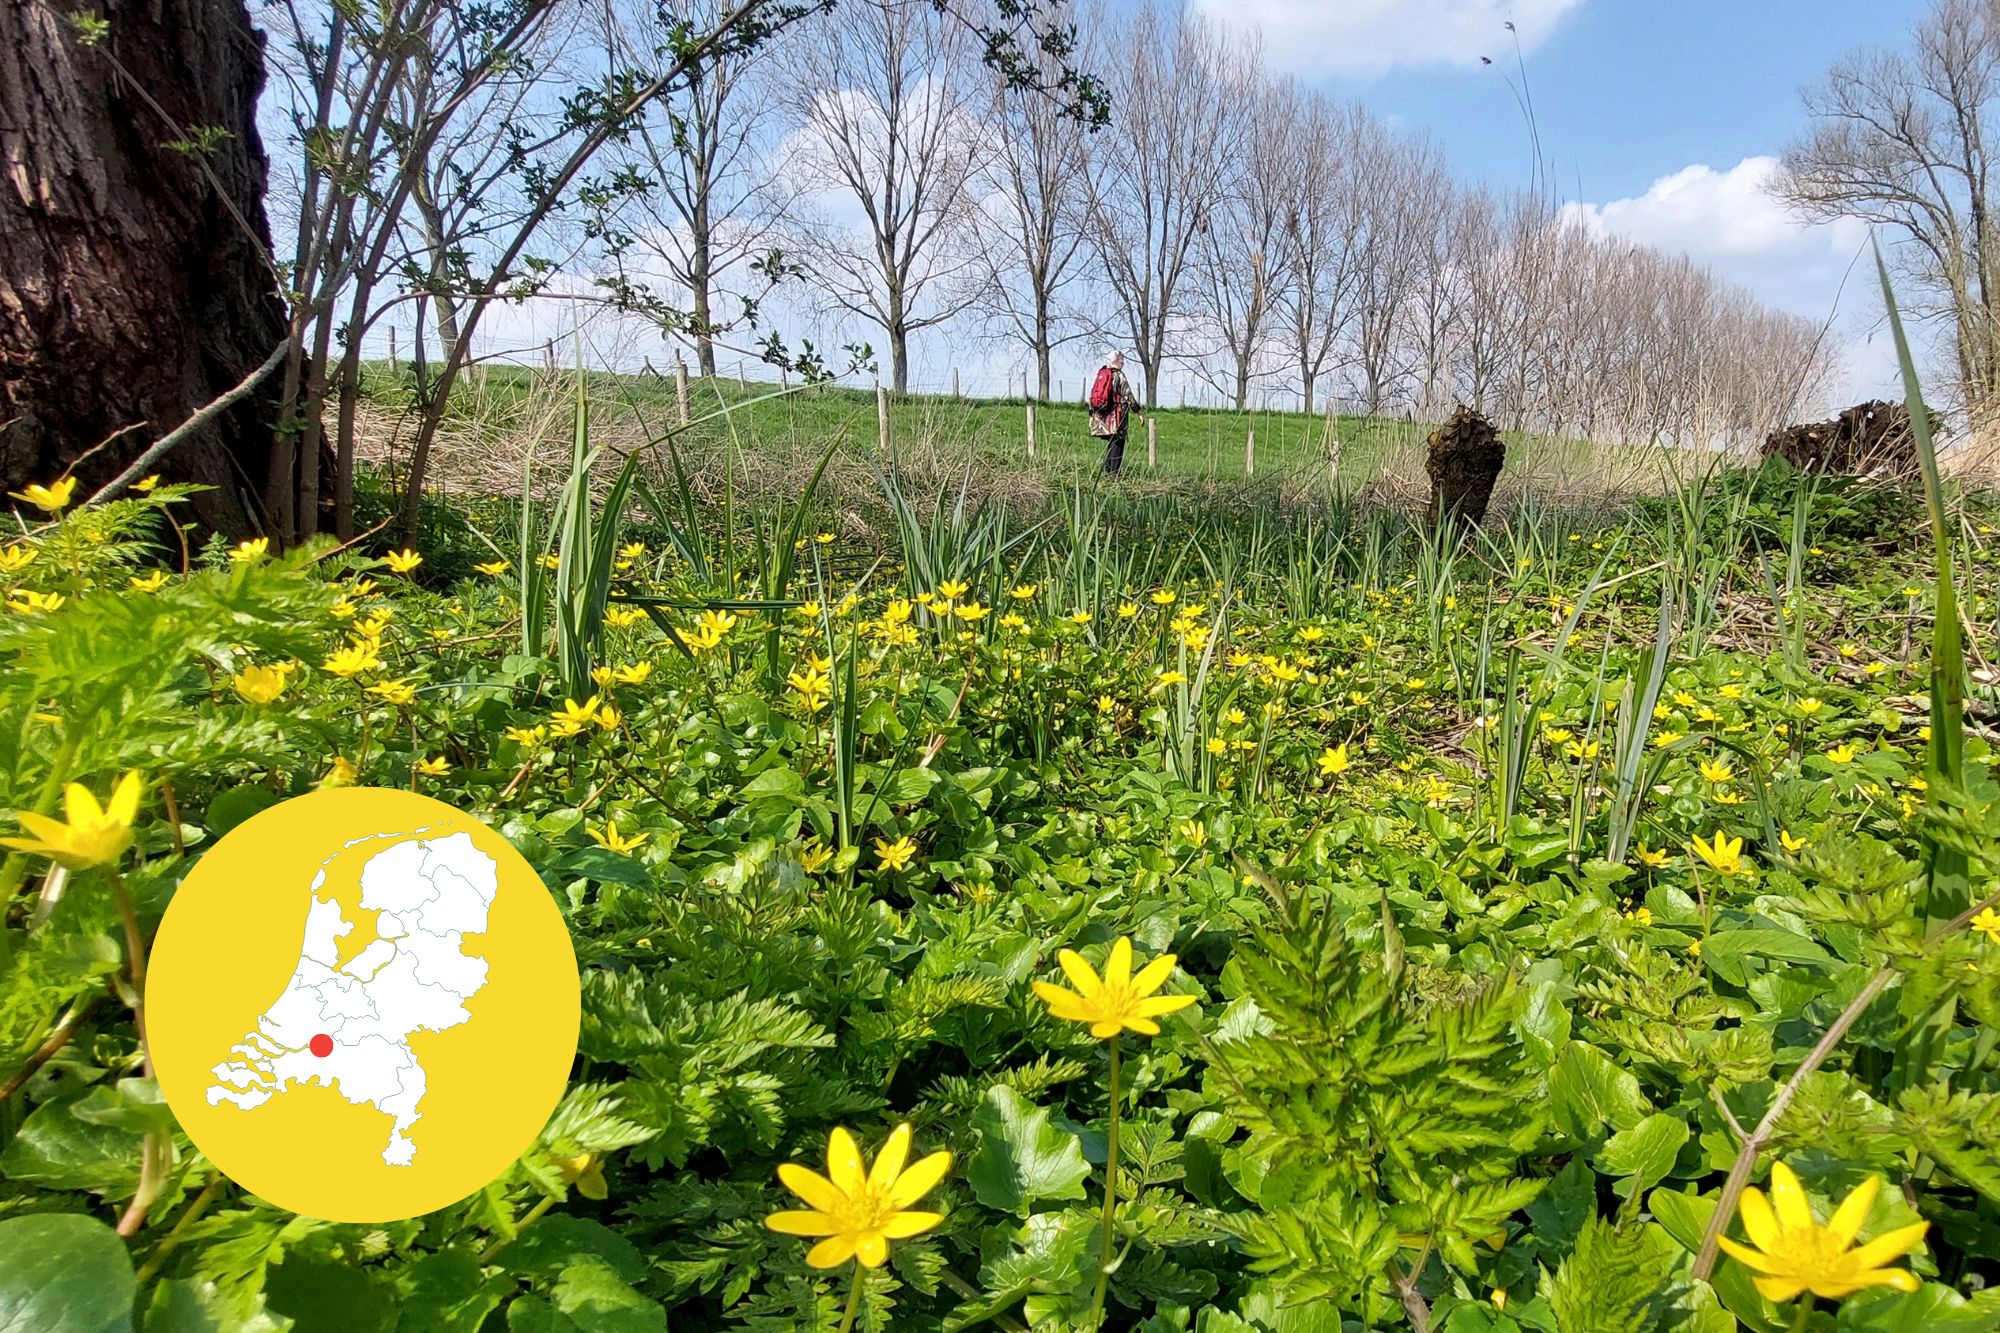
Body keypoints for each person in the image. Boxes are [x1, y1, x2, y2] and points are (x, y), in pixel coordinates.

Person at [1087, 351, 1142, 476]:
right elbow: (1128, 394)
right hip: (1117, 415)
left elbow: (1092, 395)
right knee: (1118, 442)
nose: (1123, 362)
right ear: (1116, 361)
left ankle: (1107, 472)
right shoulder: (1118, 375)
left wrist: (1091, 414)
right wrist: (1138, 411)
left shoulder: (1102, 373)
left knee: (1111, 442)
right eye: (1121, 360)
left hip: (1103, 416)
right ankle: (1114, 474)